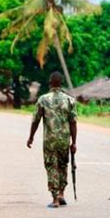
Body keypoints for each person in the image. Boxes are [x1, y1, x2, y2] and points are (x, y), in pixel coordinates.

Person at [27, 71, 78, 208]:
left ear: (50, 84)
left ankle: (55, 199)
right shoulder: (69, 100)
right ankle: (61, 193)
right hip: (63, 140)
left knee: (51, 167)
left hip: (49, 141)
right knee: (63, 165)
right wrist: (74, 142)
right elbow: (73, 122)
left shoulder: (43, 99)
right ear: (62, 84)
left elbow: (36, 120)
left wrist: (31, 137)